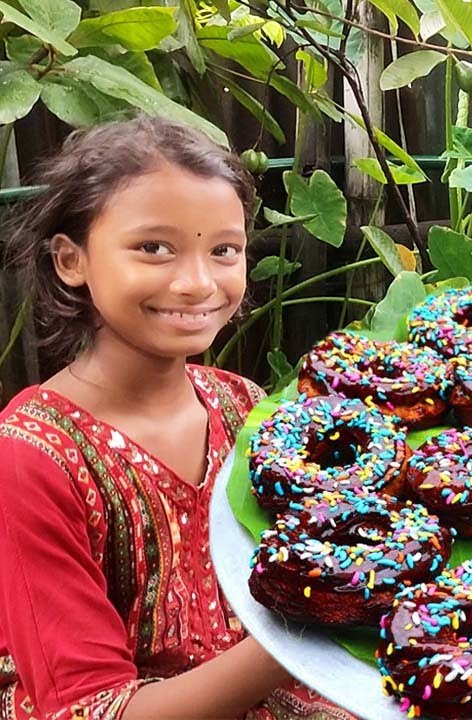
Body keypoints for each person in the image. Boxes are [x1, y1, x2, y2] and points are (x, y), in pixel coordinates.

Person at [0, 117, 351, 720]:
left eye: (224, 251)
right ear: (70, 260)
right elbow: (88, 710)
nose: (196, 283)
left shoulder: (241, 404)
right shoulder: (32, 456)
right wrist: (297, 633)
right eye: (154, 248)